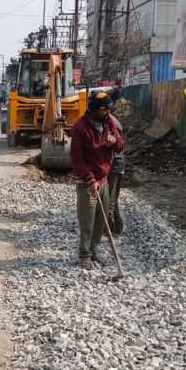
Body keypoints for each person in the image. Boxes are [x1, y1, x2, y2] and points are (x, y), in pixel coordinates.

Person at [70, 91, 124, 269]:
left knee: (101, 222)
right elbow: (77, 160)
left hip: (103, 180)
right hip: (88, 183)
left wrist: (114, 142)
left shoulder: (108, 123)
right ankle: (84, 255)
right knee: (88, 221)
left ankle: (93, 251)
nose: (108, 112)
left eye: (109, 108)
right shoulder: (80, 128)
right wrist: (90, 180)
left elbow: (121, 145)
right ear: (94, 109)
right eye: (104, 109)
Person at [107, 89, 125, 236]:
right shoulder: (110, 119)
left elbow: (117, 146)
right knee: (112, 198)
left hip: (114, 165)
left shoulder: (111, 122)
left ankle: (110, 232)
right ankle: (118, 228)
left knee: (110, 202)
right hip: (113, 164)